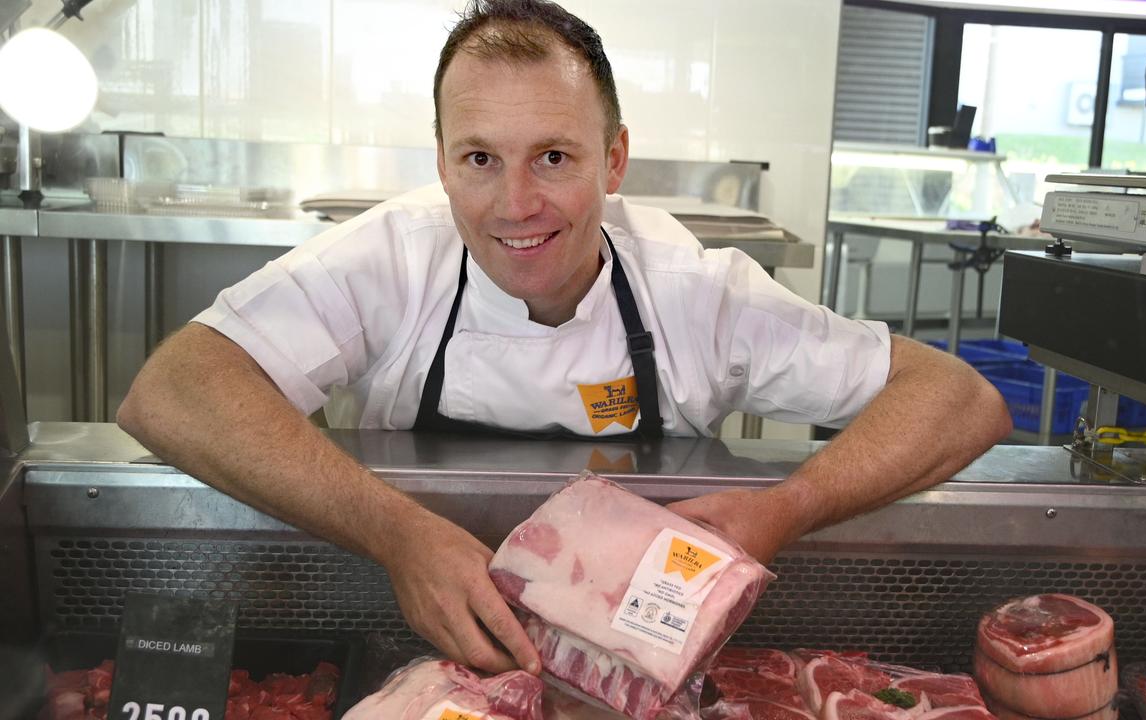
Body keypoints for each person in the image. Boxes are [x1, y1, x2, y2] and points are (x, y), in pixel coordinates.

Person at [116, 0, 1010, 678]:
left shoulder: (698, 292)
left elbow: (960, 398)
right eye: (479, 159)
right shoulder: (389, 259)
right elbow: (174, 390)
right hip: (423, 634)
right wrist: (398, 536)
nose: (515, 205)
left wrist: (785, 508)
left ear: (613, 159)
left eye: (554, 156)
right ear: (440, 163)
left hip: (645, 651)